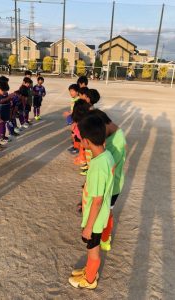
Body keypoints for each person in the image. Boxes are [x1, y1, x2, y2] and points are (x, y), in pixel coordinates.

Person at [68, 114, 115, 290]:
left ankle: (89, 280)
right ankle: (89, 270)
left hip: (94, 220)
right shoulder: (106, 154)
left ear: (86, 141)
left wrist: (88, 226)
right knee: (91, 249)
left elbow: (97, 200)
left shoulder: (96, 167)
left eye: (81, 139)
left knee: (93, 250)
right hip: (99, 215)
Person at [88, 109, 127, 251]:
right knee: (106, 212)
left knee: (105, 214)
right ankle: (105, 237)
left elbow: (108, 170)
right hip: (113, 183)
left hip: (112, 186)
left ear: (104, 124)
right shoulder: (114, 133)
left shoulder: (115, 142)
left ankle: (105, 239)